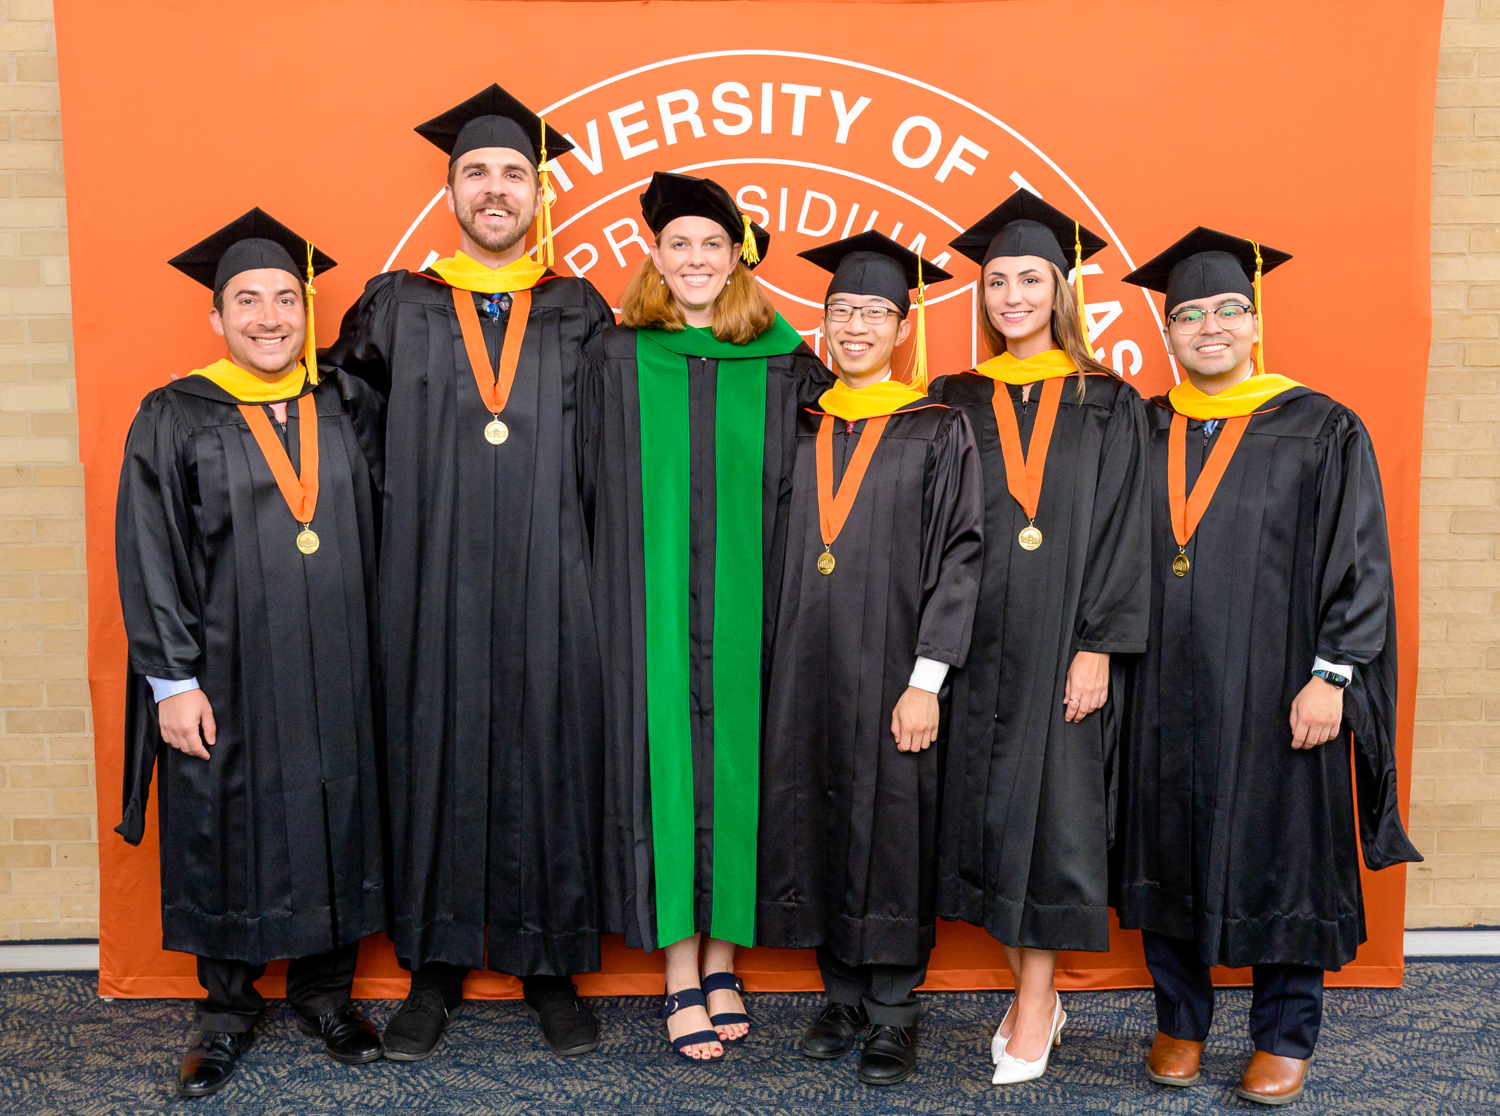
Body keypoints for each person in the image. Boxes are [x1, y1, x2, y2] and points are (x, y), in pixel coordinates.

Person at [323, 84, 613, 1061]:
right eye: (477, 173)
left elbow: (618, 445)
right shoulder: (397, 304)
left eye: (514, 174)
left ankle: (550, 965)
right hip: (429, 578)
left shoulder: (577, 309)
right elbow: (338, 425)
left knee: (549, 754)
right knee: (433, 753)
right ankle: (436, 971)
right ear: (451, 190)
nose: (495, 190)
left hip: (552, 579)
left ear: (538, 193)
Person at [1115, 227, 1423, 1106]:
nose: (1208, 327)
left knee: (1285, 849)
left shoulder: (1321, 425)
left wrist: (1333, 676)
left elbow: (1361, 560)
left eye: (1227, 310)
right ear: (1168, 332)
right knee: (1165, 843)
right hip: (1161, 685)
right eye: (1188, 315)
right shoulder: (1144, 425)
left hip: (1279, 684)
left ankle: (1285, 1035)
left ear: (1255, 323)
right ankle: (1180, 1021)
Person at [116, 209, 386, 1098]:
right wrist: (172, 682)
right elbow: (149, 551)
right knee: (225, 822)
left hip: (342, 658)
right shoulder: (174, 413)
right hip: (226, 666)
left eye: (284, 299)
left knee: (337, 810)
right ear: (217, 318)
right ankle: (227, 1013)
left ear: (305, 311)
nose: (269, 318)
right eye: (247, 301)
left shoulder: (346, 403)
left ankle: (325, 996)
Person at [579, 171, 832, 1062]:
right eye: (678, 243)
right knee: (668, 771)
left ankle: (723, 960)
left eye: (712, 245)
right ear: (655, 256)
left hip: (750, 604)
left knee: (737, 765)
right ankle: (680, 970)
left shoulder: (784, 362)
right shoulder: (615, 357)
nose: (694, 258)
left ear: (736, 261)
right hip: (645, 603)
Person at [929, 190, 1150, 1085]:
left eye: (1030, 279)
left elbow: (1126, 527)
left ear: (1061, 290)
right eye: (996, 282)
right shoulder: (955, 397)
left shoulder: (1110, 400)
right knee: (983, 814)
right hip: (973, 639)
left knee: (1053, 820)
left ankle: (1035, 1000)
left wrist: (1098, 643)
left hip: (1064, 641)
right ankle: (1031, 994)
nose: (1012, 296)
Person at [759, 233, 982, 1086]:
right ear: (823, 321)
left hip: (894, 664)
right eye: (842, 310)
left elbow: (960, 555)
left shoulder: (938, 428)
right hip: (802, 661)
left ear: (903, 326)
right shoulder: (799, 420)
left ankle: (893, 1011)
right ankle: (842, 997)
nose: (855, 326)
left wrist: (928, 680)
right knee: (813, 812)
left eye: (875, 313)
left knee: (890, 826)